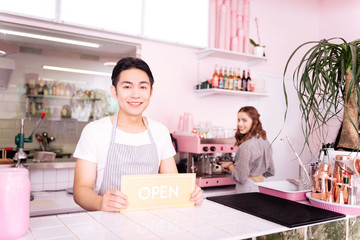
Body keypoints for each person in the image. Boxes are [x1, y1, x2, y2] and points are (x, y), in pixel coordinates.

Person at [73, 57, 203, 211]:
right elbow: (80, 190)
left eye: (142, 87)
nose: (135, 95)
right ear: (114, 91)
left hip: (151, 223)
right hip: (107, 226)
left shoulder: (159, 131)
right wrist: (100, 203)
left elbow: (172, 184)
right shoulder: (94, 131)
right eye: (127, 87)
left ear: (151, 91)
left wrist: (190, 193)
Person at [220, 106, 275, 193]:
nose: (239, 124)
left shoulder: (245, 146)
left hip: (246, 189)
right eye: (238, 120)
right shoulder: (265, 141)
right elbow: (270, 171)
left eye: (244, 120)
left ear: (255, 122)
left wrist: (230, 165)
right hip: (261, 187)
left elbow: (240, 178)